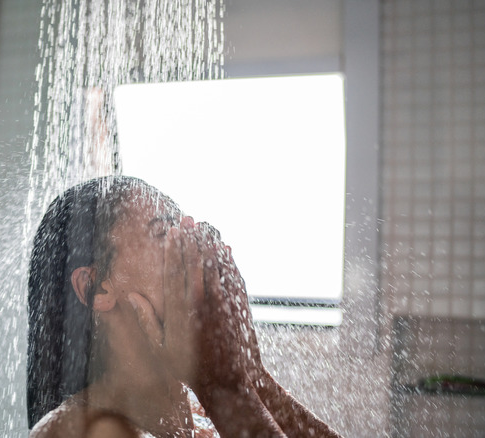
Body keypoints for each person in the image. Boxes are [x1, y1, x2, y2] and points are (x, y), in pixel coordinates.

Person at [27, 176, 342, 437]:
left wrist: (251, 377)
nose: (197, 247)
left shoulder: (204, 414)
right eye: (165, 233)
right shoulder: (75, 431)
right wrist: (224, 388)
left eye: (186, 233)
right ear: (96, 288)